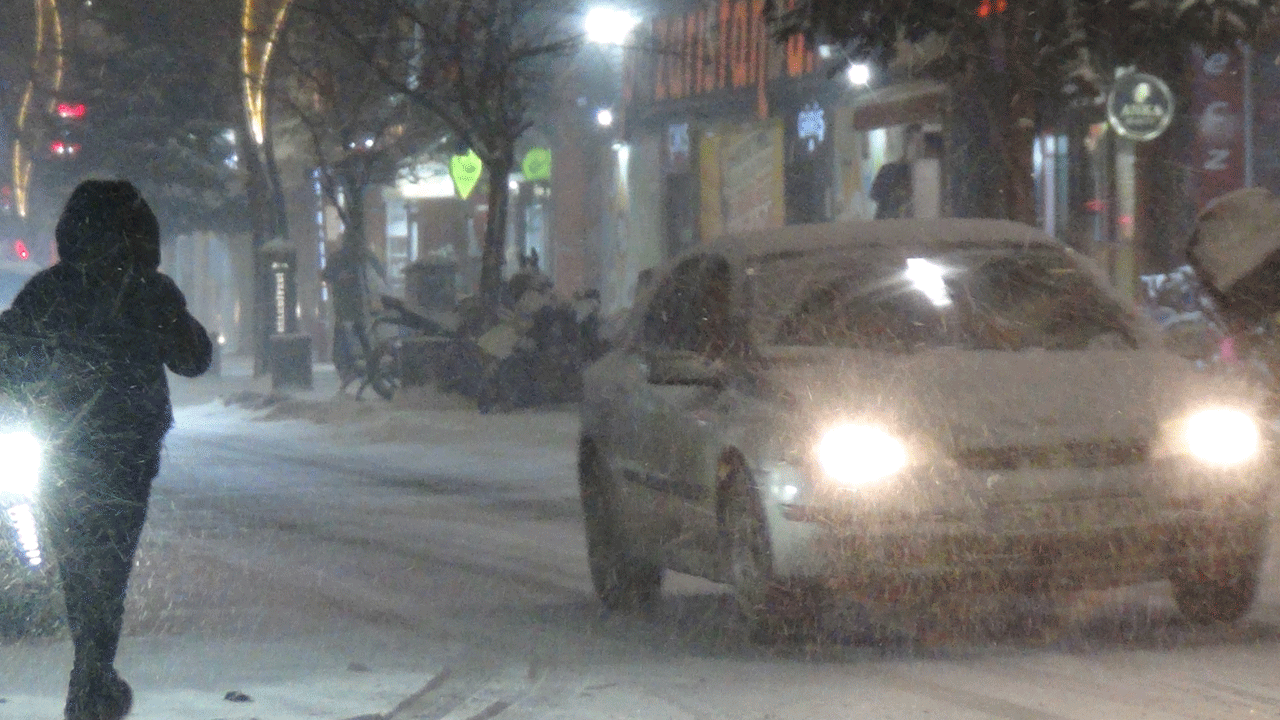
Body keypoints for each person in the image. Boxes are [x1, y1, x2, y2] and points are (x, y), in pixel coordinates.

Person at [0, 180, 212, 720]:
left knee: (79, 562)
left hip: (64, 449)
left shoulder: (49, 292)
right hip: (127, 453)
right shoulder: (150, 292)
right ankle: (93, 669)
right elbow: (193, 358)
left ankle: (91, 669)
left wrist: (30, 395)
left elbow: (10, 362)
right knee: (110, 562)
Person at [321, 241, 385, 390]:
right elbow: (379, 271)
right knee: (355, 336)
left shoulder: (344, 257)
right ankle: (358, 368)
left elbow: (326, 275)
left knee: (350, 337)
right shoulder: (360, 256)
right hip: (351, 306)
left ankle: (354, 369)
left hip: (351, 306)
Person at [869, 123, 924, 219]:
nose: (918, 148)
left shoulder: (931, 177)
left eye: (921, 143)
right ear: (906, 144)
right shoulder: (889, 170)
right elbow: (875, 195)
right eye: (913, 142)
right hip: (889, 227)